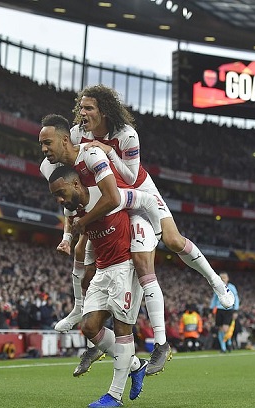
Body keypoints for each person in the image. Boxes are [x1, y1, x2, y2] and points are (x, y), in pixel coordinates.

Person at [70, 85, 235, 372]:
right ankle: (94, 341)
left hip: (138, 190)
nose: (82, 113)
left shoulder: (126, 135)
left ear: (104, 111)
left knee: (172, 240)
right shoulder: (76, 134)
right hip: (111, 198)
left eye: (88, 108)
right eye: (81, 107)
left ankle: (216, 283)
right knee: (92, 265)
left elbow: (131, 175)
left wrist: (109, 152)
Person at [39, 113, 172, 375]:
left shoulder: (93, 153)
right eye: (41, 144)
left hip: (128, 210)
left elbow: (115, 197)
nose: (43, 149)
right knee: (82, 258)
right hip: (99, 220)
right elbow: (69, 203)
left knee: (145, 266)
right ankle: (82, 315)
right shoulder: (49, 168)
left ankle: (161, 343)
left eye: (47, 143)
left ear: (65, 140)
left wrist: (158, 231)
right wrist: (68, 236)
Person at [48, 165, 149, 407]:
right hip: (103, 270)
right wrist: (67, 240)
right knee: (89, 327)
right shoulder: (73, 207)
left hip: (125, 267)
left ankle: (114, 396)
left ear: (76, 184)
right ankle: (136, 365)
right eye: (55, 196)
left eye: (61, 193)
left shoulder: (105, 193)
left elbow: (123, 198)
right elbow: (70, 222)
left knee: (123, 330)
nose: (60, 200)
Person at [210, 272, 239, 353]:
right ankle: (223, 348)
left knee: (225, 328)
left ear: (227, 279)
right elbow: (214, 298)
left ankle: (228, 343)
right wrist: (211, 309)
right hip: (219, 309)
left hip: (228, 309)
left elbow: (236, 298)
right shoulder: (217, 287)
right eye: (221, 278)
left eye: (224, 278)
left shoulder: (231, 287)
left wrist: (236, 310)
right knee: (220, 329)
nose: (223, 279)